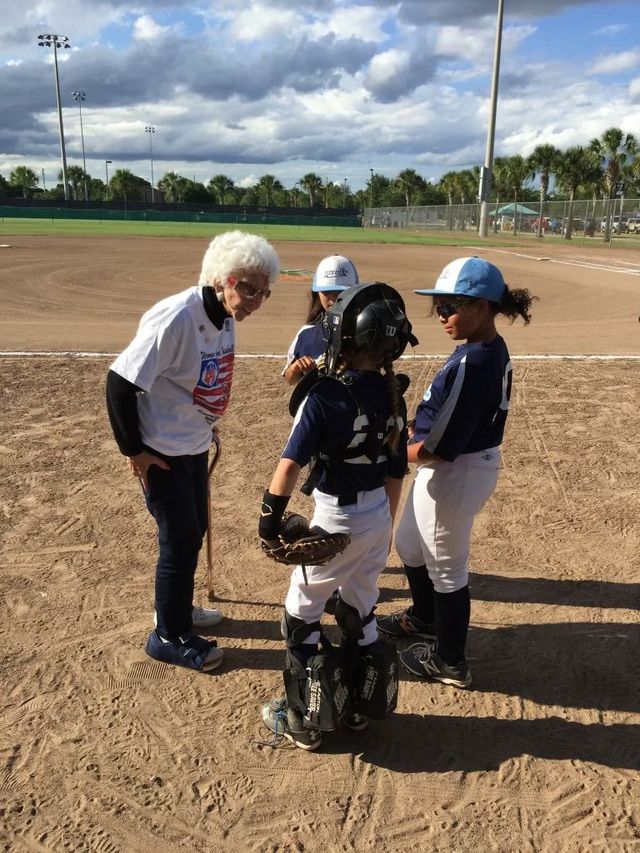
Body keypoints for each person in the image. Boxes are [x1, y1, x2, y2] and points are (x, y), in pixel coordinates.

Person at [106, 230, 280, 672]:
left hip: (191, 444)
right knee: (180, 538)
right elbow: (119, 382)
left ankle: (177, 610)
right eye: (247, 286)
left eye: (263, 290)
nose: (255, 298)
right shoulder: (176, 317)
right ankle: (167, 635)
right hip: (161, 450)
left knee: (195, 528)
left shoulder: (223, 315)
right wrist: (135, 452)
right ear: (221, 279)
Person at [258, 283, 417, 750]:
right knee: (360, 608)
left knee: (301, 615)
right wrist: (385, 527)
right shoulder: (394, 396)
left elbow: (289, 466)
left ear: (343, 340)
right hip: (374, 518)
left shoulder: (325, 395)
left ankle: (304, 719)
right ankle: (358, 707)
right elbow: (394, 471)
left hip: (335, 519)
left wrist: (269, 521)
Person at [378, 256, 536, 689]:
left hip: (457, 470)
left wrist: (388, 447)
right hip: (449, 465)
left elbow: (439, 450)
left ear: (483, 307)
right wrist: (415, 425)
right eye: (440, 304)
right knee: (410, 543)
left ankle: (450, 661)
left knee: (446, 565)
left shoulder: (477, 361)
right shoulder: (476, 346)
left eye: (453, 305)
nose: (442, 314)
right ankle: (427, 617)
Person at [282, 254, 359, 385]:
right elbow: (290, 379)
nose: (334, 298)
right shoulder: (306, 334)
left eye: (341, 292)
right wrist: (295, 369)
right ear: (317, 293)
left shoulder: (367, 331)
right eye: (327, 291)